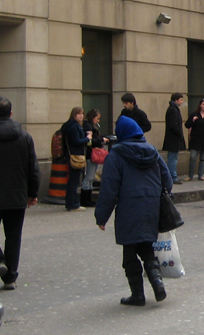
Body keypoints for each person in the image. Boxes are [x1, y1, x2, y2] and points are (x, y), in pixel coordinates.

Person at [95, 115, 172, 306]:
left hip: (129, 207)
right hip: (151, 206)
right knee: (147, 247)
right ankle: (157, 283)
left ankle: (137, 295)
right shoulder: (152, 151)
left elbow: (109, 189)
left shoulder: (116, 155)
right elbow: (168, 180)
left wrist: (101, 217)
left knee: (129, 254)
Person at [0, 96, 39, 290]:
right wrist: (33, 192)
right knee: (14, 236)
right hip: (17, 195)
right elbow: (33, 167)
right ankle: (10, 277)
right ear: (11, 113)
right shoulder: (25, 137)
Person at [62, 107, 92, 211]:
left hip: (72, 154)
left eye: (82, 114)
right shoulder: (73, 126)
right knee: (74, 181)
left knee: (73, 180)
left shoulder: (70, 125)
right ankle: (73, 204)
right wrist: (87, 138)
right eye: (79, 114)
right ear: (74, 115)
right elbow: (76, 141)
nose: (81, 116)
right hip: (75, 155)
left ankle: (71, 203)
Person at [81, 108, 108, 208]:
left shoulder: (90, 125)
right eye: (97, 118)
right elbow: (90, 142)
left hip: (91, 153)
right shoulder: (88, 126)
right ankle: (85, 199)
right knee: (89, 176)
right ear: (92, 117)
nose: (98, 121)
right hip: (90, 153)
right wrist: (101, 139)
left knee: (91, 176)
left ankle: (88, 198)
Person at [185, 98, 204, 181]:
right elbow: (187, 125)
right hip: (195, 140)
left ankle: (201, 175)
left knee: (203, 158)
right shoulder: (194, 114)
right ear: (200, 105)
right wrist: (192, 120)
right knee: (193, 157)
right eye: (203, 104)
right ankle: (190, 175)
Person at [162, 93, 186, 185]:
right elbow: (174, 125)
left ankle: (171, 176)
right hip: (173, 138)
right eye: (181, 99)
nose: (182, 101)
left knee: (172, 157)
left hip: (173, 138)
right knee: (173, 158)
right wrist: (179, 133)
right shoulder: (173, 110)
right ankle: (173, 176)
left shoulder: (173, 109)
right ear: (176, 100)